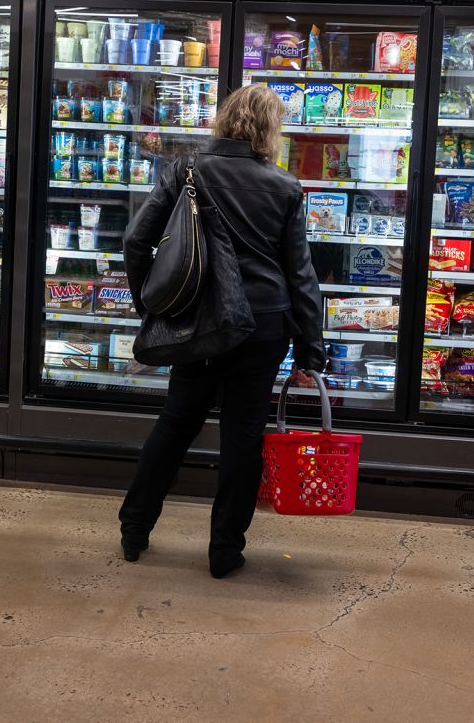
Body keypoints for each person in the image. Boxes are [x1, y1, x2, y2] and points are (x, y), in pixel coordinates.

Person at [118, 84, 326, 579]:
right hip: (261, 327)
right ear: (269, 130)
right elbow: (301, 276)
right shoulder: (284, 186)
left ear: (225, 120)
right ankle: (225, 552)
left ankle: (134, 530)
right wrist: (309, 352)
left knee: (176, 425)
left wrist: (148, 301)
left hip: (195, 321)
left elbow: (135, 240)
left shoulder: (185, 171)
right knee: (243, 436)